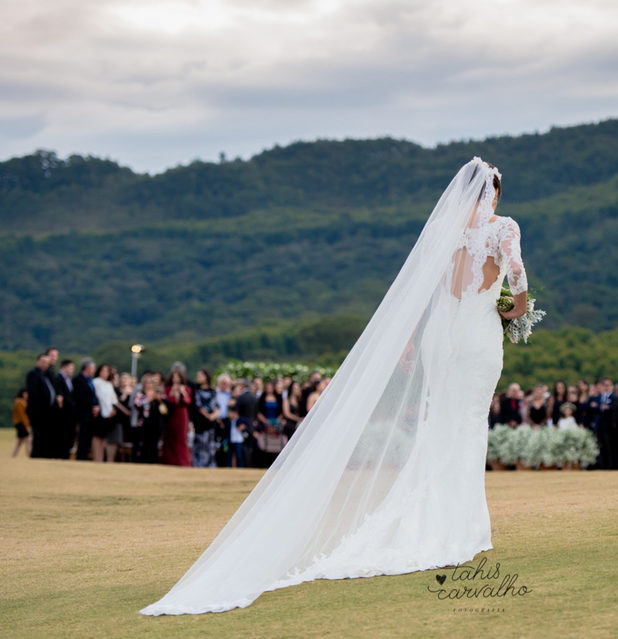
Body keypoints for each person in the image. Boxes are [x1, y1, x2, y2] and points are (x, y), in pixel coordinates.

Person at [141, 157, 530, 615]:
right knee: (466, 425)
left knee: (441, 423)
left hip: (440, 340)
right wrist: (513, 310)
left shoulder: (443, 236)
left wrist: (407, 342)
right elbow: (517, 272)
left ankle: (443, 519)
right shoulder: (503, 228)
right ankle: (460, 525)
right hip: (476, 337)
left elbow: (421, 294)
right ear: (495, 194)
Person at [25, 353, 56, 458]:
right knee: (38, 435)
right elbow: (34, 394)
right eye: (43, 362)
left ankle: (44, 455)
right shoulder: (33, 374)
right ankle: (36, 456)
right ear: (37, 361)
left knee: (45, 435)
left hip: (47, 412)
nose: (45, 364)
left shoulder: (46, 375)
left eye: (47, 362)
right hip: (38, 411)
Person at [161, 369, 193, 467]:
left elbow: (187, 401)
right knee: (169, 438)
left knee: (181, 439)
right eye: (174, 377)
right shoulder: (167, 389)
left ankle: (182, 462)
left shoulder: (186, 388)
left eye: (178, 378)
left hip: (181, 415)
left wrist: (182, 392)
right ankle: (169, 461)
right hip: (171, 416)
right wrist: (172, 393)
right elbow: (167, 402)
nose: (176, 380)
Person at [91, 363, 118, 463]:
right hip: (99, 412)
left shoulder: (109, 384)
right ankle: (96, 458)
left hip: (108, 413)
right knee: (97, 437)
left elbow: (113, 399)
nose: (105, 373)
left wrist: (113, 409)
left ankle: (101, 458)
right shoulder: (95, 382)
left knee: (103, 438)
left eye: (107, 371)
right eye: (103, 371)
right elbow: (96, 396)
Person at [192, 370, 219, 468]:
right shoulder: (196, 390)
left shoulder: (213, 391)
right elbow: (198, 406)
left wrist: (213, 415)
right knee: (200, 444)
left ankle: (210, 465)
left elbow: (217, 405)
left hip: (211, 423)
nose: (198, 378)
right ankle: (199, 464)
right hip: (200, 422)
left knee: (210, 444)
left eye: (200, 376)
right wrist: (207, 415)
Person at [72, 359, 98, 461]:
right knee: (82, 437)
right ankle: (80, 457)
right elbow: (80, 397)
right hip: (83, 413)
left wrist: (96, 406)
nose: (94, 370)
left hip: (91, 414)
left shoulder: (90, 380)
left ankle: (85, 456)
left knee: (88, 437)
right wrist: (91, 406)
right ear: (87, 368)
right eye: (93, 368)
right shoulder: (78, 380)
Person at [11, 389, 31, 458]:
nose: (27, 395)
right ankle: (30, 455)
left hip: (20, 423)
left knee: (19, 441)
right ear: (22, 394)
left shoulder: (21, 402)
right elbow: (22, 415)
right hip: (21, 424)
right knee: (28, 439)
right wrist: (27, 425)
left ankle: (13, 455)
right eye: (25, 394)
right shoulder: (20, 402)